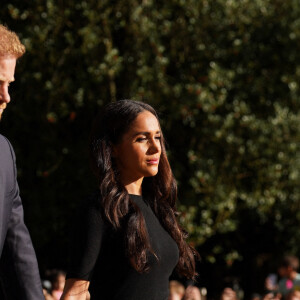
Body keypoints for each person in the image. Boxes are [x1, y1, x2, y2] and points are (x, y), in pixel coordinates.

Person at [61, 100, 198, 300]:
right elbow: (75, 293)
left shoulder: (158, 207)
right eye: (142, 139)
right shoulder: (99, 209)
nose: (155, 148)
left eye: (157, 137)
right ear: (113, 148)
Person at [0, 25, 44, 299]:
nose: (6, 97)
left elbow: (18, 251)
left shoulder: (4, 153)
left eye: (9, 84)